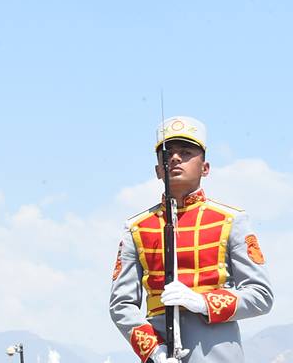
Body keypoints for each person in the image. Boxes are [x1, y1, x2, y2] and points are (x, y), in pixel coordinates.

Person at [109, 115, 273, 362]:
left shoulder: (231, 220)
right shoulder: (136, 228)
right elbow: (121, 305)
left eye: (186, 152)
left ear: (205, 168)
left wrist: (202, 302)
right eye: (167, 155)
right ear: (158, 170)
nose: (175, 158)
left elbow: (261, 295)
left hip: (219, 353)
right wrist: (154, 350)